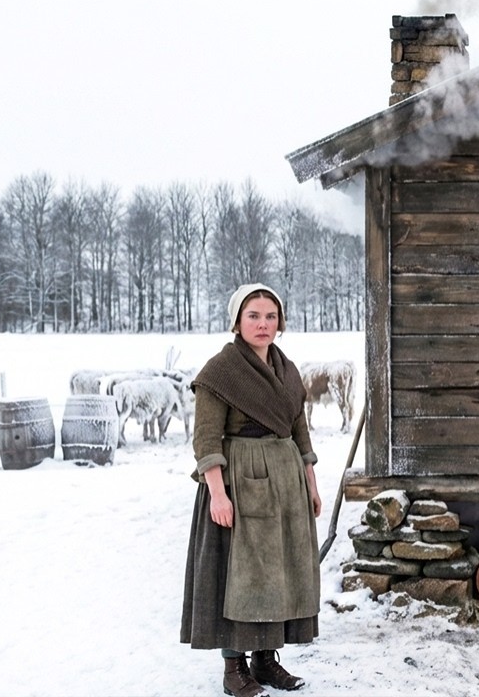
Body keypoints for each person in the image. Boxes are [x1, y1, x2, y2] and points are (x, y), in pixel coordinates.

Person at [180, 284, 322, 697]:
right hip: (240, 483)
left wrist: (311, 484)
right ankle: (233, 669)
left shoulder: (287, 369)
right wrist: (218, 494)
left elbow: (300, 431)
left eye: (271, 316)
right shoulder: (220, 371)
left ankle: (264, 661)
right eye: (254, 316)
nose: (263, 324)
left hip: (286, 484)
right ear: (237, 321)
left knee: (277, 573)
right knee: (240, 575)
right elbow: (206, 440)